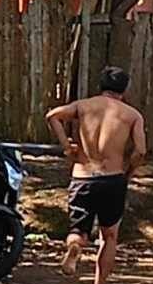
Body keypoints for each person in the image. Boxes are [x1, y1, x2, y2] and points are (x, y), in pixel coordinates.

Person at [46, 66, 146, 282]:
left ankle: (74, 248)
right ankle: (99, 282)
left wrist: (67, 147)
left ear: (101, 86)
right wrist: (128, 171)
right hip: (113, 178)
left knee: (77, 230)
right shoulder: (132, 115)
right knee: (109, 236)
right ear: (124, 89)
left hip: (83, 175)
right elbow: (141, 151)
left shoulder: (84, 106)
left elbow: (52, 116)